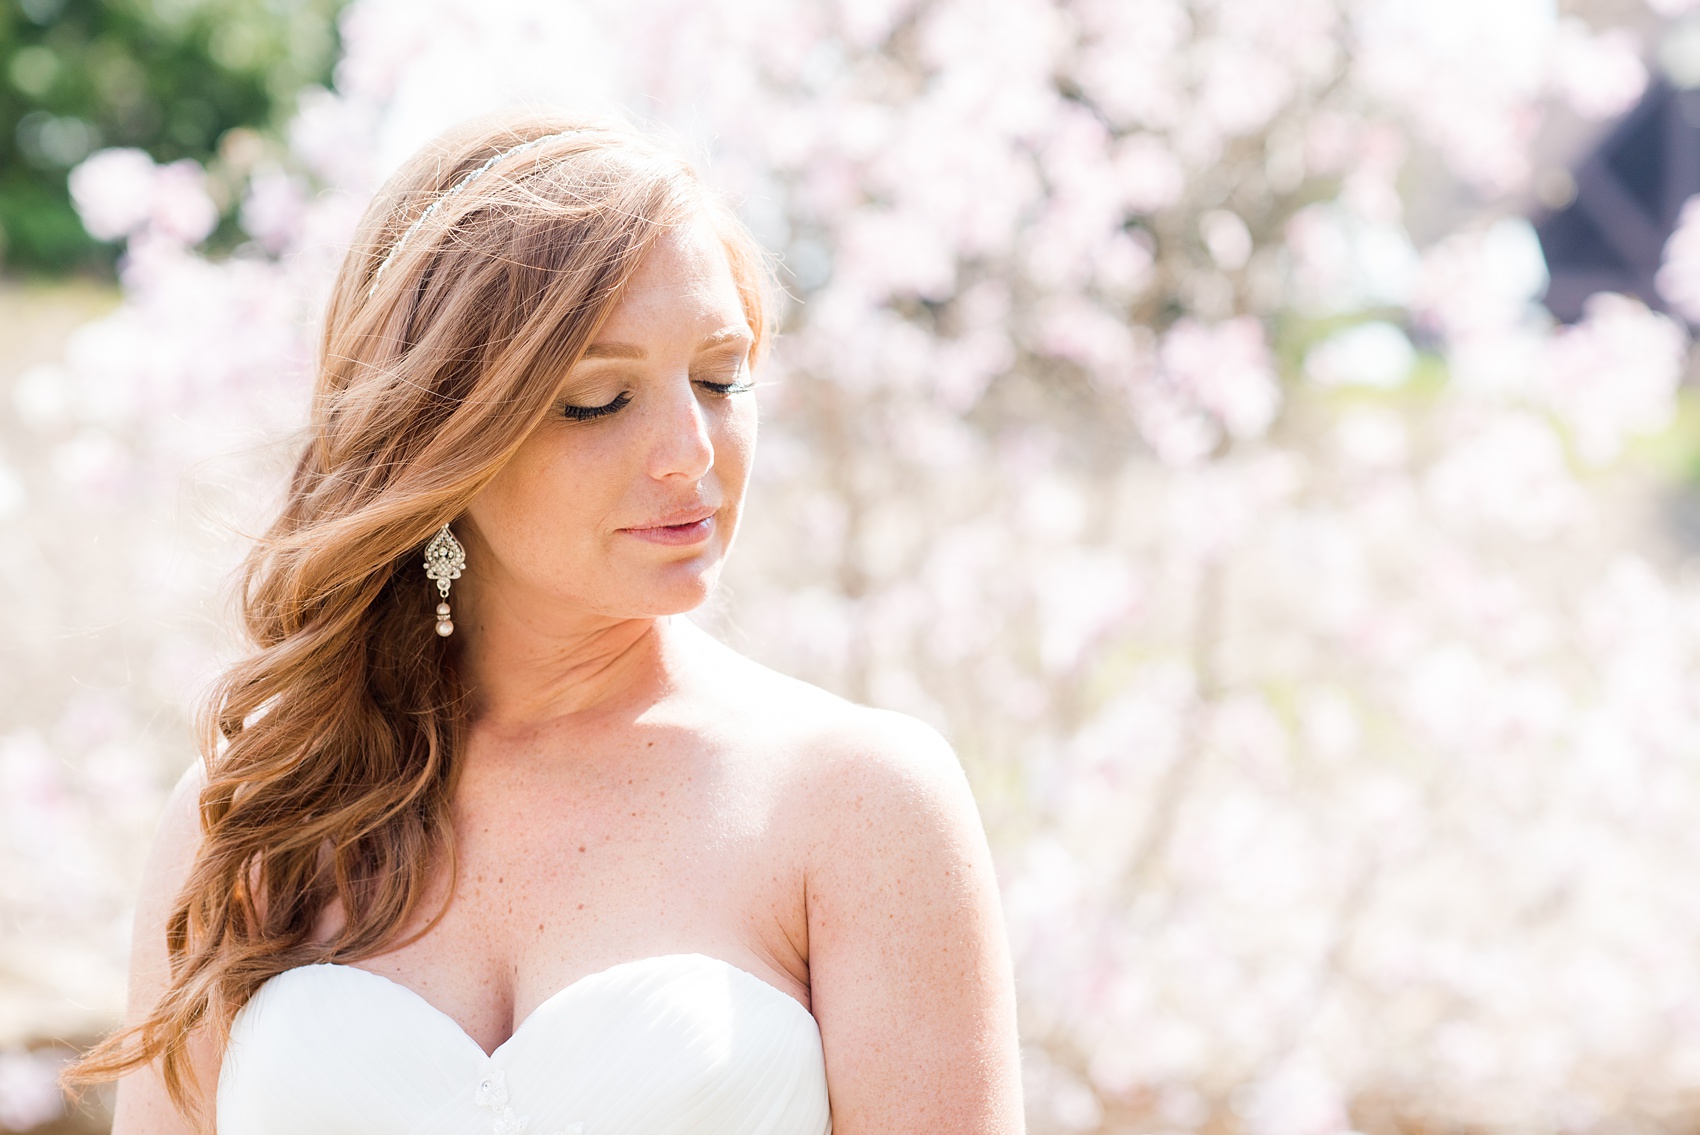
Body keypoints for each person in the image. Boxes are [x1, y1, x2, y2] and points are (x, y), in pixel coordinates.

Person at [64, 113, 1025, 1134]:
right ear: (437, 435)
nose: (689, 452)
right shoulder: (257, 811)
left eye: (720, 377)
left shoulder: (860, 805)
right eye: (598, 399)